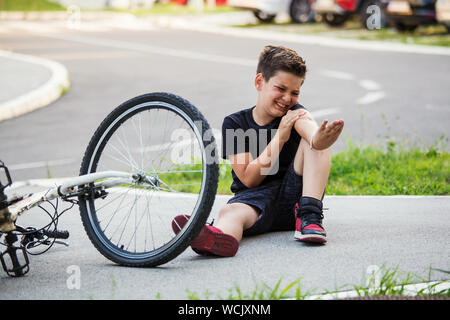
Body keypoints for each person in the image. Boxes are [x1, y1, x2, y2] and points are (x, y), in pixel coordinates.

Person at [172, 45, 344, 257]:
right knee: (230, 212)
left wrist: (321, 138)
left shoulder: (296, 113)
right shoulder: (235, 123)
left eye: (295, 93)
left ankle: (310, 217)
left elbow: (313, 135)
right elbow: (248, 180)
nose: (287, 98)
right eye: (281, 89)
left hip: (296, 201)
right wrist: (280, 136)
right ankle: (217, 239)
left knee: (315, 144)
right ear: (259, 82)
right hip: (254, 201)